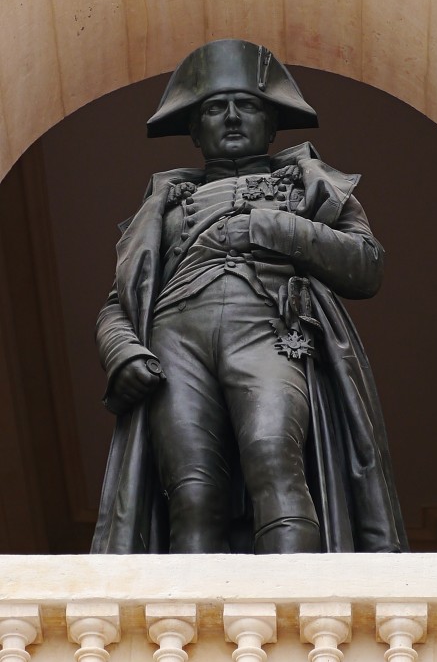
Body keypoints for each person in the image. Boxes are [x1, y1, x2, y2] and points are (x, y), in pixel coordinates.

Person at [91, 39, 408, 555]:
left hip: (268, 327)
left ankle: (295, 602)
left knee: (273, 455)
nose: (233, 117)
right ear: (195, 130)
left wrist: (266, 226)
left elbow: (365, 263)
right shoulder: (165, 207)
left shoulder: (309, 186)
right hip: (175, 340)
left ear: (272, 123)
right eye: (215, 108)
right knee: (191, 492)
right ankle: (191, 607)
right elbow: (118, 302)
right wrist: (122, 351)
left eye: (248, 105)